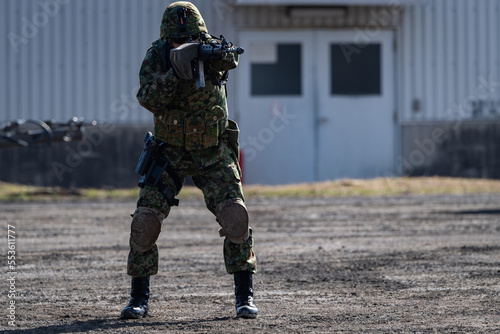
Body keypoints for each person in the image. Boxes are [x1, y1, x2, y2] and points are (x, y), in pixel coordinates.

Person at [120, 1, 258, 320]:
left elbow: (231, 59)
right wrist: (173, 71)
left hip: (212, 151)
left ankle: (244, 295)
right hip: (170, 152)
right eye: (177, 41)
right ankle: (138, 298)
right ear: (167, 38)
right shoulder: (157, 55)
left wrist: (202, 53)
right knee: (144, 222)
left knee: (236, 219)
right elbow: (147, 98)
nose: (182, 45)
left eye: (189, 39)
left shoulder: (212, 53)